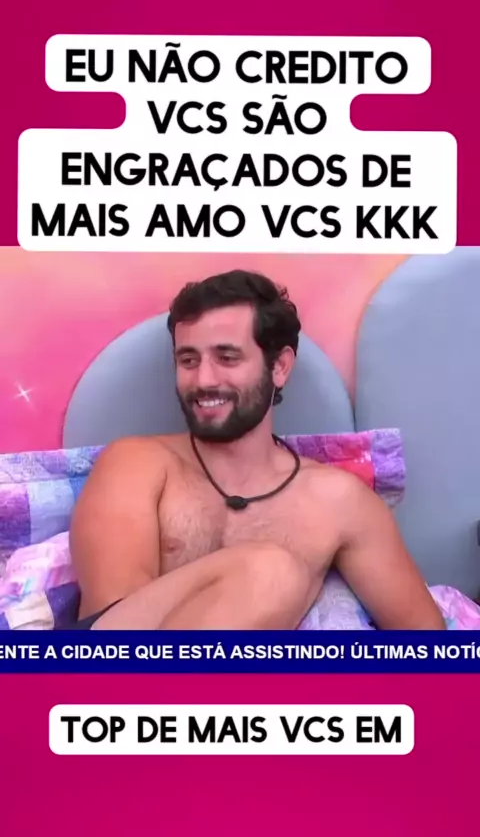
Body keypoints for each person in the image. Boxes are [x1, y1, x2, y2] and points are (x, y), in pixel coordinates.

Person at [69, 269, 445, 630]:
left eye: (227, 357)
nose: (204, 379)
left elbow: (426, 640)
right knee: (271, 572)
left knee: (272, 572)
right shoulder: (136, 466)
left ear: (279, 367)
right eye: (188, 360)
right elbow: (112, 634)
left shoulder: (340, 502)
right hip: (115, 668)